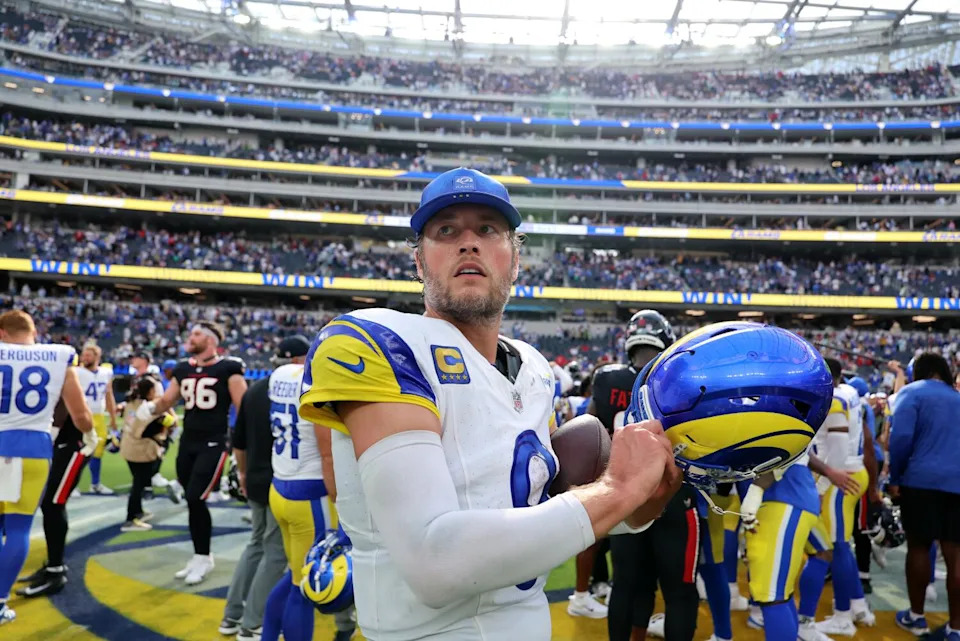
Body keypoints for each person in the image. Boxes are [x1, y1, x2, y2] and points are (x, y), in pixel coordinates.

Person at [298, 167, 681, 641]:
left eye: (487, 229)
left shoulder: (536, 368)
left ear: (514, 258)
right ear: (419, 262)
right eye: (446, 230)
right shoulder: (377, 342)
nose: (468, 243)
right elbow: (433, 561)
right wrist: (617, 491)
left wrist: (644, 502)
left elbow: (541, 513)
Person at [592, 310, 699, 641]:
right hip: (675, 497)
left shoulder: (606, 379)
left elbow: (594, 434)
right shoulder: (686, 381)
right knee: (680, 592)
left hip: (627, 500)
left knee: (625, 585)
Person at [0, 310, 95, 626]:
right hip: (33, 448)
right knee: (17, 529)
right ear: (33, 332)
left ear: (2, 332)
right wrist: (90, 432)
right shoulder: (58, 355)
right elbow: (80, 415)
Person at [137, 321, 248, 585]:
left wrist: (242, 445)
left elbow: (244, 406)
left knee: (196, 497)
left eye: (197, 334)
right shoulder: (184, 368)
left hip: (214, 441)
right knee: (191, 498)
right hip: (189, 442)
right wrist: (148, 411)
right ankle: (200, 555)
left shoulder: (229, 368)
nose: (191, 337)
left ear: (210, 340)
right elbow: (167, 401)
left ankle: (203, 556)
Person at [260, 334, 339, 641]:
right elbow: (327, 452)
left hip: (279, 487)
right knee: (305, 586)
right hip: (309, 494)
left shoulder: (279, 375)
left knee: (294, 576)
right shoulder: (316, 380)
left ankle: (267, 636)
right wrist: (339, 499)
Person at [889, 353, 960, 638]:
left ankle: (916, 617)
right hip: (957, 484)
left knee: (919, 547)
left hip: (920, 480)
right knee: (956, 554)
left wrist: (895, 478)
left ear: (919, 372)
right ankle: (956, 628)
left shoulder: (912, 392)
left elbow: (901, 439)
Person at [220, 345, 287, 641]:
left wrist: (243, 474)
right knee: (275, 553)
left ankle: (231, 615)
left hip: (256, 478)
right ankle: (251, 623)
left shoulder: (255, 389)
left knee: (255, 545)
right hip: (283, 479)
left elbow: (239, 441)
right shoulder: (299, 387)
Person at [16, 401, 91, 598]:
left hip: (71, 445)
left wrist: (53, 433)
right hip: (60, 444)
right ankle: (53, 565)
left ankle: (56, 571)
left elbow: (68, 405)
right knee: (49, 505)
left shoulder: (64, 371)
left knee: (53, 504)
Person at [120, 376, 178, 531]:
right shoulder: (149, 408)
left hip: (128, 447)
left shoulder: (130, 403)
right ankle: (130, 519)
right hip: (141, 450)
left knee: (138, 481)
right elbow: (172, 422)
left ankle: (138, 512)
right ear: (151, 391)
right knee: (139, 484)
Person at [130, 352, 183, 503]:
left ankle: (146, 486)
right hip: (137, 420)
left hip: (151, 421)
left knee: (149, 455)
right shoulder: (135, 379)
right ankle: (145, 484)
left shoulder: (155, 382)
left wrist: (172, 420)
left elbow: (163, 402)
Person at [75, 343, 117, 494]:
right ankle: (73, 485)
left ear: (97, 357)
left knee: (98, 451)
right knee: (79, 450)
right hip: (82, 414)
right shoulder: (76, 372)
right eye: (83, 355)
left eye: (88, 355)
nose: (84, 358)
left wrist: (112, 417)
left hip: (98, 415)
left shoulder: (106, 372)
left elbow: (109, 394)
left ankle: (95, 484)